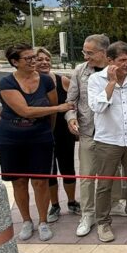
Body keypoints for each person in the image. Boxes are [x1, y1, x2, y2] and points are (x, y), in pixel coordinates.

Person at [0, 43, 73, 242]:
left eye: (34, 57)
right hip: (11, 138)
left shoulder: (46, 80)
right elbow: (25, 111)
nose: (34, 61)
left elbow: (51, 111)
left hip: (39, 136)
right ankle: (26, 221)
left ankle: (43, 221)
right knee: (19, 181)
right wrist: (58, 108)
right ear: (15, 62)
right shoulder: (6, 82)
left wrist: (48, 130)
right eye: (28, 58)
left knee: (41, 181)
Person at [87, 41, 127, 242]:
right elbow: (97, 107)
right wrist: (111, 83)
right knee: (105, 184)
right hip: (107, 140)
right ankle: (103, 222)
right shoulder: (95, 79)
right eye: (122, 60)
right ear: (110, 60)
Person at [65, 34, 126, 238]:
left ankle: (114, 203)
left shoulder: (117, 69)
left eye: (89, 52)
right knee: (87, 175)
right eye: (85, 52)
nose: (86, 56)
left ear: (103, 52)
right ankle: (88, 214)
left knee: (113, 171)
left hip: (112, 131)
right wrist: (71, 118)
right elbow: (71, 101)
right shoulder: (80, 72)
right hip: (88, 131)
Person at [36, 47, 79, 222]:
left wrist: (73, 120)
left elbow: (72, 103)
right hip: (41, 132)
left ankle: (72, 201)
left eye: (47, 59)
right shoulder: (30, 84)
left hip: (63, 130)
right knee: (49, 171)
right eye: (40, 59)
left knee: (68, 166)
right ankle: (54, 205)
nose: (44, 62)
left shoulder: (63, 80)